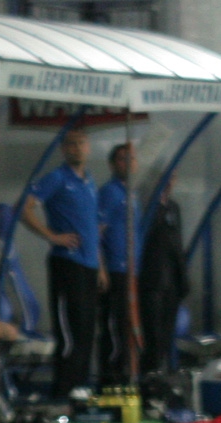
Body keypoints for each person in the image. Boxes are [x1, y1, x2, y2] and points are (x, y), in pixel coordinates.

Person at [21, 128, 102, 399]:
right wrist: (52, 236)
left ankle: (80, 390)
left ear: (88, 147)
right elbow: (24, 207)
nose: (77, 148)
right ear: (63, 149)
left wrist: (100, 265)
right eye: (71, 144)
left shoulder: (89, 180)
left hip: (89, 266)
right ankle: (64, 393)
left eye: (81, 142)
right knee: (71, 334)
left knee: (87, 332)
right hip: (67, 265)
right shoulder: (57, 178)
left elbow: (92, 226)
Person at [96, 143, 141, 387]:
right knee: (115, 328)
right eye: (123, 159)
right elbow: (97, 232)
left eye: (132, 159)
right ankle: (110, 381)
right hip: (115, 270)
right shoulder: (110, 193)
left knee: (128, 328)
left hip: (132, 270)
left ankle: (126, 377)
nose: (129, 163)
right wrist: (101, 268)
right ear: (113, 165)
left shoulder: (131, 193)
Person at [138, 173, 189, 375]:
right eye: (165, 177)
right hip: (152, 279)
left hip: (172, 281)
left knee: (167, 333)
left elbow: (177, 243)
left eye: (173, 178)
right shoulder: (146, 206)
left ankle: (164, 374)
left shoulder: (173, 207)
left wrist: (183, 277)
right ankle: (150, 373)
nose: (169, 182)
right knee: (153, 332)